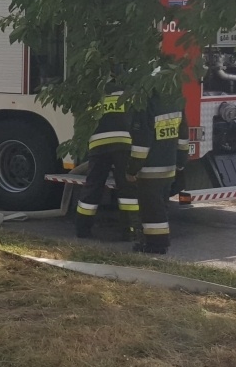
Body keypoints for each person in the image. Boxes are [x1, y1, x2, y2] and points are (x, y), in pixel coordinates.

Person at [73, 80, 138, 240]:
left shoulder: (93, 93)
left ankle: (82, 229)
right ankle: (130, 230)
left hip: (98, 146)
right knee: (127, 189)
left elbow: (83, 121)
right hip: (123, 145)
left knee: (92, 187)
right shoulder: (128, 91)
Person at [128, 84, 187, 255]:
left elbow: (141, 144)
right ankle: (154, 243)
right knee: (161, 208)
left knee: (152, 211)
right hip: (169, 167)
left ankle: (156, 246)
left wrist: (132, 170)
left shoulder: (145, 105)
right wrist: (181, 162)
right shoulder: (175, 101)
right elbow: (183, 135)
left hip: (150, 170)